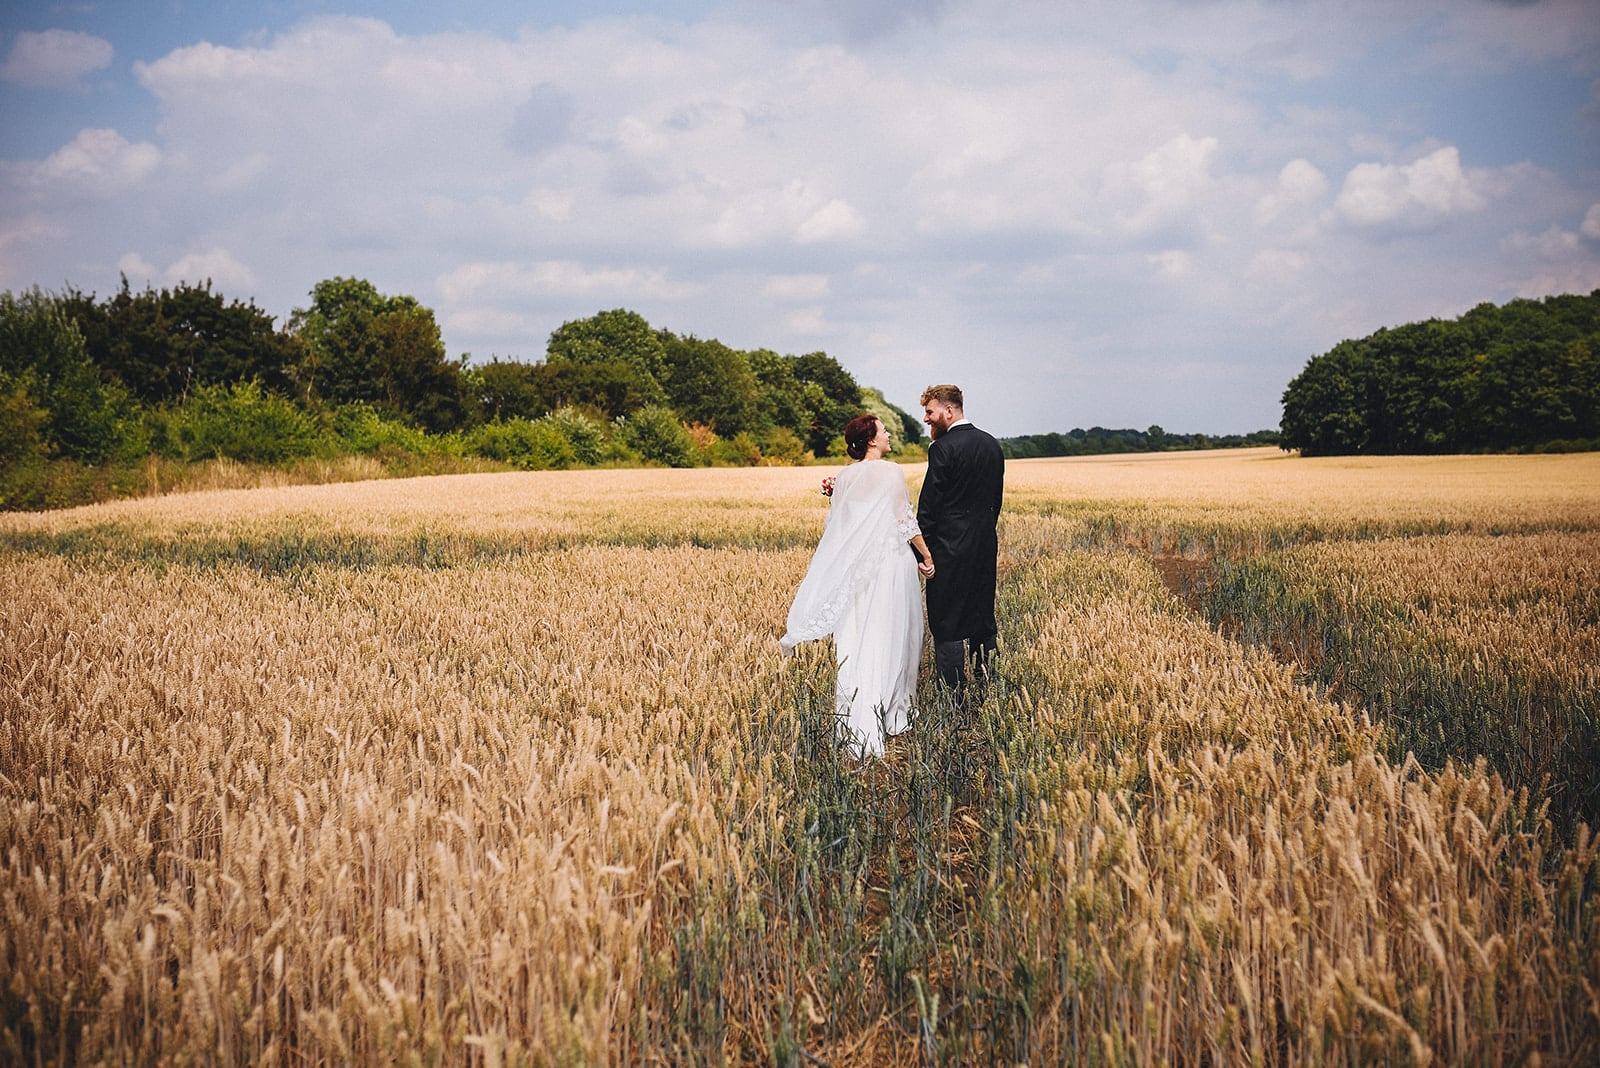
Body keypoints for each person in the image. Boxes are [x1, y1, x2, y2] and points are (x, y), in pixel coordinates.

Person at [781, 414, 936, 755]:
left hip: (859, 570)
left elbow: (842, 528)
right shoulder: (891, 471)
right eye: (883, 430)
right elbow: (903, 519)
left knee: (861, 636)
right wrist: (926, 555)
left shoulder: (846, 477)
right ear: (870, 439)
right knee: (894, 633)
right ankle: (893, 713)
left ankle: (858, 715)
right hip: (890, 565)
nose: (888, 434)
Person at [916, 384, 1004, 700]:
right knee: (982, 620)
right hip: (983, 548)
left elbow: (928, 508)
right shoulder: (991, 444)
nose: (926, 419)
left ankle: (955, 701)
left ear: (948, 411)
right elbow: (996, 502)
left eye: (930, 412)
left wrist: (921, 554)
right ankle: (989, 689)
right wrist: (980, 536)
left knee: (947, 622)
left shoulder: (942, 449)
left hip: (947, 552)